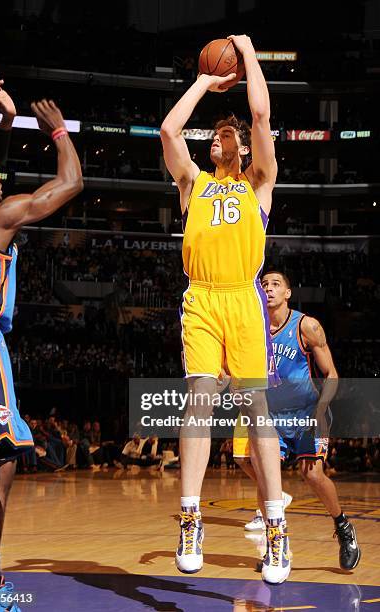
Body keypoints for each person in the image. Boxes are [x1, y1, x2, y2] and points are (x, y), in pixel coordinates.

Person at [160, 34, 288, 583]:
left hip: (243, 297)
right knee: (199, 403)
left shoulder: (260, 184)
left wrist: (249, 53)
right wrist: (204, 83)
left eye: (229, 132)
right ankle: (190, 518)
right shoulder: (194, 184)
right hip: (202, 298)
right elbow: (169, 131)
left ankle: (277, 529)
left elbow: (260, 114)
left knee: (257, 412)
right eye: (216, 134)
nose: (224, 136)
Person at [0, 88, 83, 609]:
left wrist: (6, 121)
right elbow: (70, 184)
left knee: (3, 458)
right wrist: (57, 132)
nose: (3, 176)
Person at [233, 271, 361, 571]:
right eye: (264, 284)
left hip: (307, 412)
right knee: (265, 473)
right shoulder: (253, 328)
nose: (269, 288)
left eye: (276, 284)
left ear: (288, 293)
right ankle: (276, 539)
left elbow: (331, 374)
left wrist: (321, 409)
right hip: (271, 416)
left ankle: (342, 526)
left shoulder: (307, 326)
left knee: (312, 474)